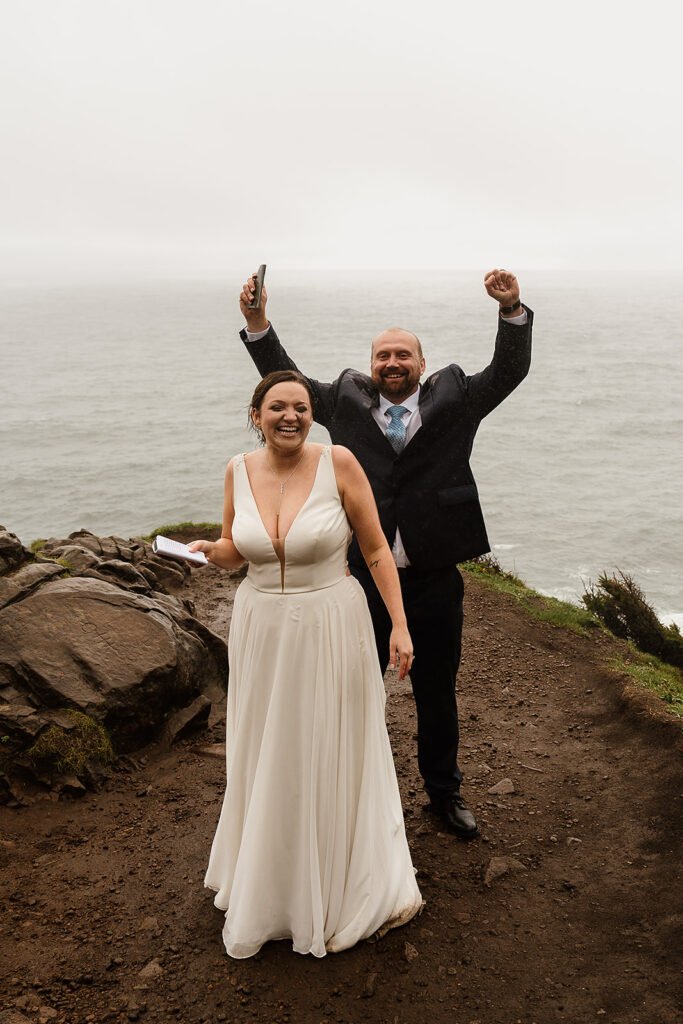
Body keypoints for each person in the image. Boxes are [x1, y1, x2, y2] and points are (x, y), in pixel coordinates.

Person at [238, 269, 533, 840]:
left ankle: (444, 794)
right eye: (382, 356)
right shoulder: (343, 404)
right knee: (351, 687)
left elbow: (509, 370)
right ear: (371, 365)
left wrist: (512, 309)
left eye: (403, 355)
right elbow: (285, 381)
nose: (392, 364)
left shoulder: (460, 400)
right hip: (358, 580)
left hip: (433, 577)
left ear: (421, 365)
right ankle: (344, 794)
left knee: (436, 691)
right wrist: (256, 322)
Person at [189, 370, 423, 959]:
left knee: (327, 746)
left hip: (329, 624)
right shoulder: (236, 470)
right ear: (256, 414)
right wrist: (207, 553)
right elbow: (234, 550)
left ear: (311, 414)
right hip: (260, 627)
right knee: (269, 749)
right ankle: (273, 887)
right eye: (276, 407)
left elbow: (373, 548)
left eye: (299, 407)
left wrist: (397, 623)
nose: (289, 416)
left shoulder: (339, 463)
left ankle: (338, 886)